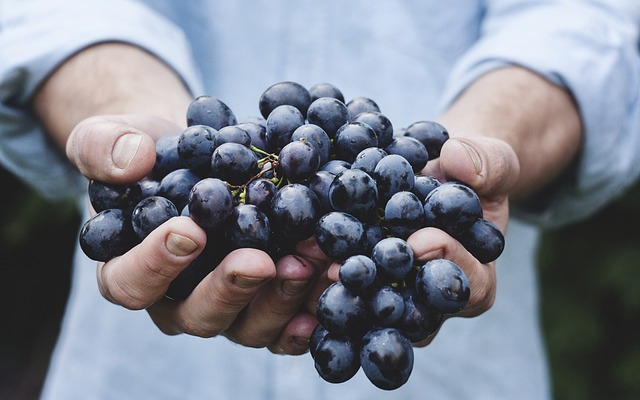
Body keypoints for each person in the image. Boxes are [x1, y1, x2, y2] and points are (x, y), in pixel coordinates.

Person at [1, 1, 639, 399]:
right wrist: (127, 122)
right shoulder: (237, 183)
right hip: (143, 374)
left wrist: (482, 145)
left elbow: (581, 21)